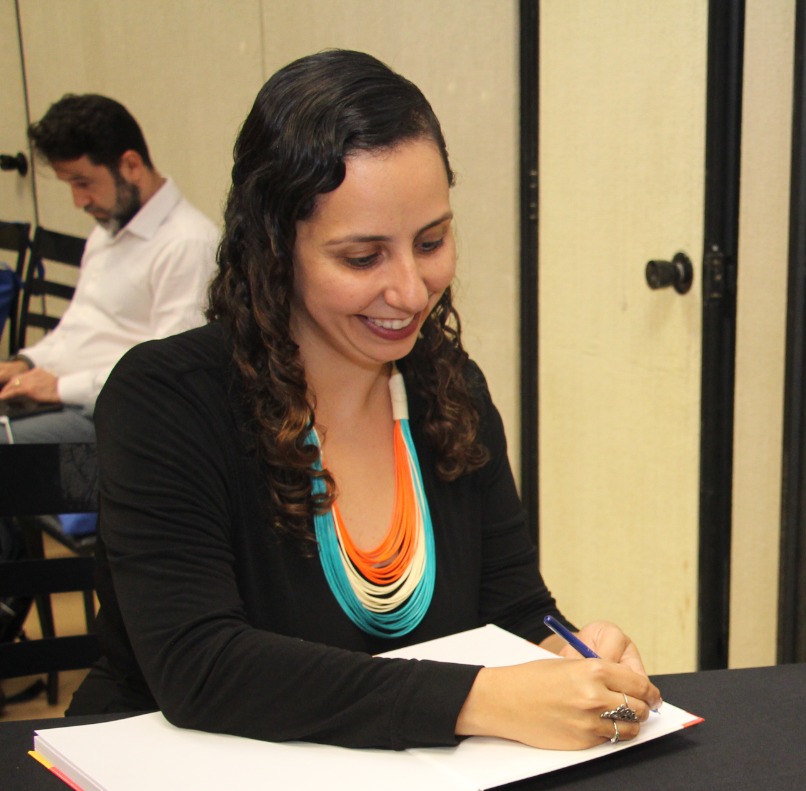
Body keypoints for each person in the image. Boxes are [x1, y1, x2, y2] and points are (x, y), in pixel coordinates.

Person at [67, 50, 660, 752]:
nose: (410, 290)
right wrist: (478, 700)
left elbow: (515, 610)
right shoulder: (167, 401)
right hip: (172, 781)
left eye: (431, 242)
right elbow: (202, 666)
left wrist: (570, 655)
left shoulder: (450, 393)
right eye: (362, 257)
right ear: (273, 249)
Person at [0, 94, 218, 443]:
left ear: (131, 165)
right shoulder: (107, 232)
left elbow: (168, 376)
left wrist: (60, 387)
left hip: (115, 416)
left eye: (83, 183)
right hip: (63, 400)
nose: (78, 201)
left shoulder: (189, 244)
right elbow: (73, 332)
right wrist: (25, 363)